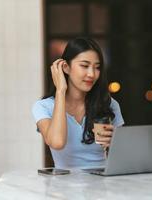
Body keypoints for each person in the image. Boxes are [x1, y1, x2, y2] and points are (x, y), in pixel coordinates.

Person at [32, 37, 124, 169]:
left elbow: (123, 158)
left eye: (97, 67)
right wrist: (60, 91)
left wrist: (114, 143)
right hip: (64, 184)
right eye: (84, 66)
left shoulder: (108, 104)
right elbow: (57, 142)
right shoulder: (43, 107)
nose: (92, 74)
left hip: (102, 183)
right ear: (66, 67)